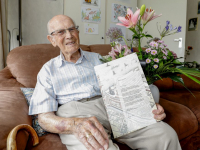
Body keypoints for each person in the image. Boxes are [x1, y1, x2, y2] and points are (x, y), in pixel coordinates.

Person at [29, 15, 182, 150]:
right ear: (52, 40)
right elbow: (43, 118)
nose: (69, 35)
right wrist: (73, 124)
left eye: (72, 29)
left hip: (113, 106)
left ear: (78, 32)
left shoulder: (99, 58)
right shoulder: (48, 70)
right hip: (77, 113)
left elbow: (124, 89)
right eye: (61, 32)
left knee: (165, 135)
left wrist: (145, 105)